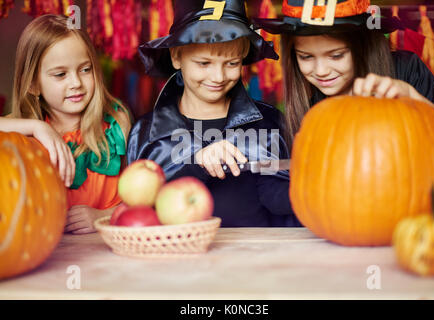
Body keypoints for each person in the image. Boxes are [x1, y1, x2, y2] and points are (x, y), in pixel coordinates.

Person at [128, 0, 301, 227]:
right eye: (204, 63)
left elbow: (281, 202)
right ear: (176, 57)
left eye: (231, 63)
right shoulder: (147, 133)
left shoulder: (269, 125)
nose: (218, 77)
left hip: (258, 256)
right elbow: (139, 211)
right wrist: (194, 167)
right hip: (177, 259)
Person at [253, 0, 434, 148]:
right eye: (306, 57)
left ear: (362, 46)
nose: (321, 71)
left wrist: (413, 98)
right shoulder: (312, 110)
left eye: (337, 55)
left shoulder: (406, 69)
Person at [0, 14, 131, 234]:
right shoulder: (24, 132)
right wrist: (37, 127)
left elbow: (143, 197)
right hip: (45, 254)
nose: (76, 83)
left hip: (109, 249)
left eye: (85, 69)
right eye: (60, 74)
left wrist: (103, 217)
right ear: (33, 84)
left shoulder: (117, 123)